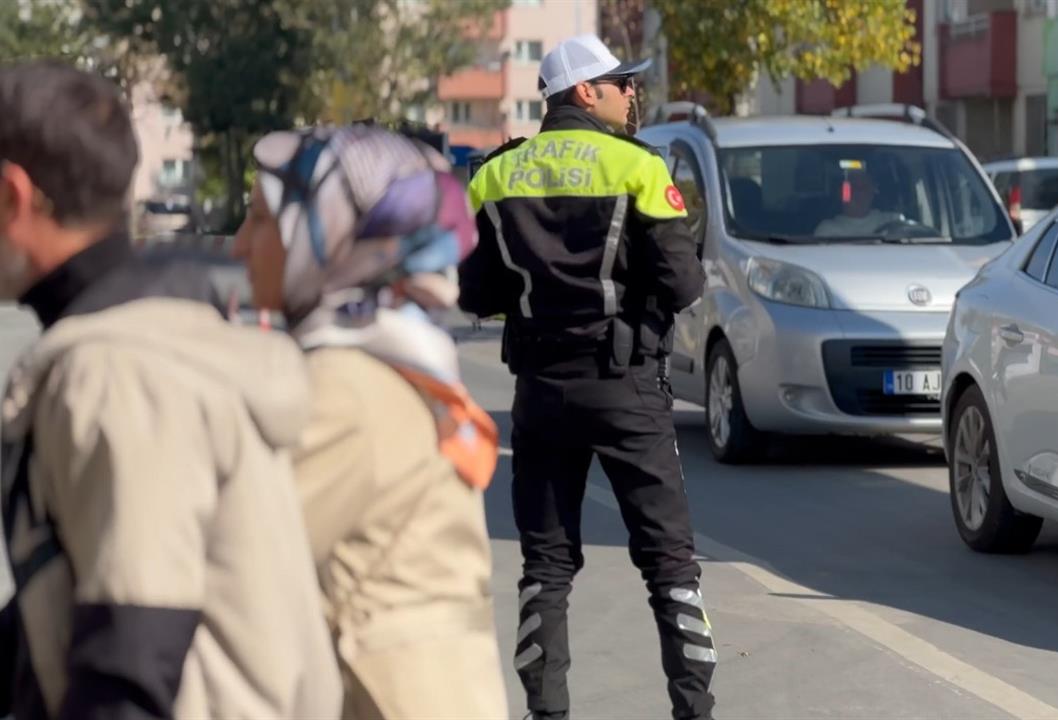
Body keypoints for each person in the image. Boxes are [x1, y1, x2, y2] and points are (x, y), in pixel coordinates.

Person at [0, 62, 340, 718]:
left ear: (14, 197)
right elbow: (78, 583)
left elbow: (130, 660)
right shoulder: (152, 332)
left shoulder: (116, 371)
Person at [459, 33, 715, 720]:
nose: (633, 92)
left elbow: (476, 292)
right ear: (584, 91)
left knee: (544, 569)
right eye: (621, 82)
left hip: (540, 392)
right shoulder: (636, 165)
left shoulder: (493, 174)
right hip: (627, 386)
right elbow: (685, 282)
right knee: (670, 567)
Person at [232, 124, 508, 720]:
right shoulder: (391, 355)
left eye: (259, 220)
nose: (238, 246)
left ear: (330, 233)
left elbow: (231, 562)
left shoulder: (347, 387)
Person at [814, 168, 901, 237]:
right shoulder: (827, 230)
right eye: (852, 188)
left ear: (873, 192)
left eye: (863, 188)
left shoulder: (892, 221)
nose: (858, 193)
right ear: (841, 194)